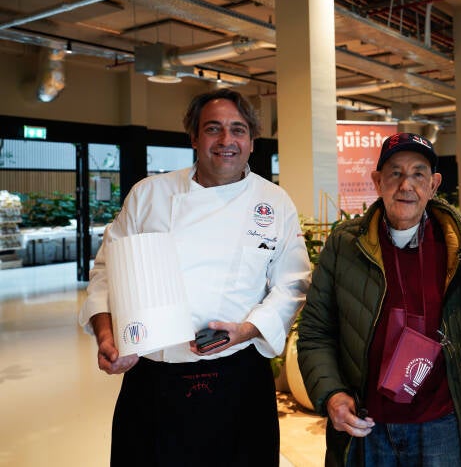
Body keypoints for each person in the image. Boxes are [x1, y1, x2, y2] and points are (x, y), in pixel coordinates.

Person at [78, 88, 311, 466]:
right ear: (194, 138)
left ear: (252, 141)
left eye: (238, 130)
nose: (226, 140)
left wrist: (247, 330)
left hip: (238, 376)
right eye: (213, 129)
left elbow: (293, 284)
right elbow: (107, 271)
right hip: (154, 378)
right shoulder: (148, 195)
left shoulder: (274, 202)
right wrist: (107, 334)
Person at [297, 132, 461, 466]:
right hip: (366, 425)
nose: (406, 185)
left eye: (418, 174)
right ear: (377, 181)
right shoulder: (345, 246)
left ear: (433, 185)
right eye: (395, 173)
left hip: (442, 427)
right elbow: (316, 331)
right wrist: (331, 393)